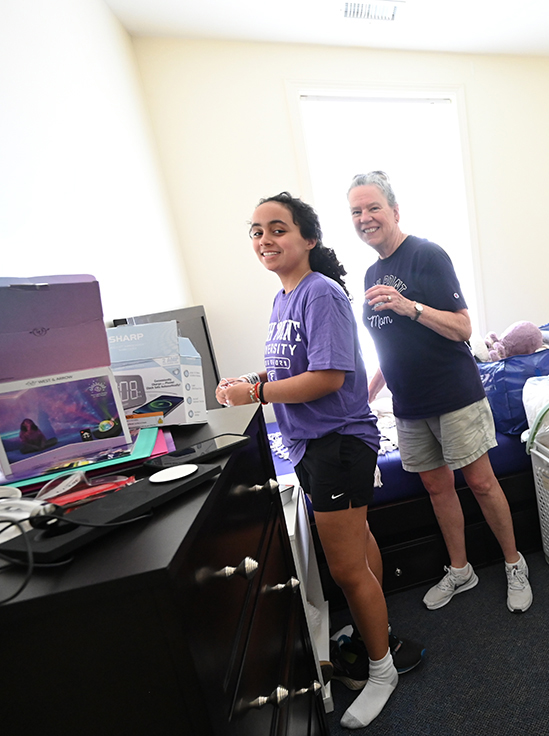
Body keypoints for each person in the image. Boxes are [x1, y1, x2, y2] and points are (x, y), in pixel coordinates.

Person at [216, 192, 398, 729]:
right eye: (256, 231)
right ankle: (377, 630)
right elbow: (289, 369)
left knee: (344, 567)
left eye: (278, 229)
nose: (265, 240)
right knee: (359, 550)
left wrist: (257, 394)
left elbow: (328, 378)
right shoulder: (282, 299)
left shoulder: (320, 293)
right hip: (314, 443)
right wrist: (252, 382)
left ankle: (382, 670)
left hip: (338, 441)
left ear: (308, 239)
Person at [347, 171, 532, 614]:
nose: (365, 217)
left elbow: (463, 327)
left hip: (454, 397)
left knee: (483, 483)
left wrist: (411, 307)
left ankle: (513, 563)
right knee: (436, 488)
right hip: (408, 407)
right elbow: (386, 349)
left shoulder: (427, 255)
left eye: (373, 207)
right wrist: (366, 396)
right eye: (356, 211)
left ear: (394, 211)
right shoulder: (372, 273)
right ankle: (460, 569)